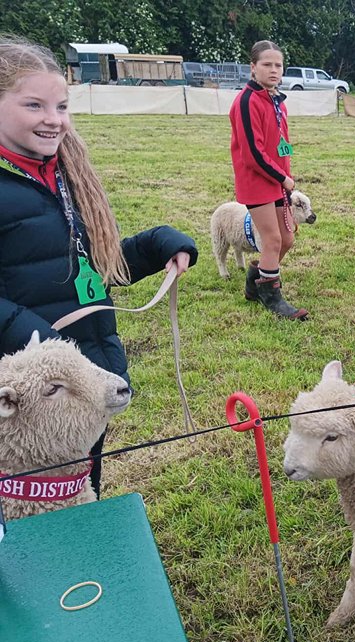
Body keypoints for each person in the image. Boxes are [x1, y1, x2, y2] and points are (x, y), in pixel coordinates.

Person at [0, 36, 196, 497]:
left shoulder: (67, 173)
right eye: (34, 105)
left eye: (61, 106)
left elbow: (87, 265)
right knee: (25, 499)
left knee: (79, 485)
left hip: (84, 374)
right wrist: (39, 341)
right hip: (29, 392)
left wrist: (155, 246)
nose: (53, 119)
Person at [229, 40, 307, 319]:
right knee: (272, 239)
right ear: (253, 67)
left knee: (286, 239)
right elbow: (253, 154)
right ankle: (271, 297)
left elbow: (280, 145)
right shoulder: (247, 101)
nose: (274, 70)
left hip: (277, 181)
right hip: (257, 182)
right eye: (267, 64)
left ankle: (256, 281)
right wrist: (282, 177)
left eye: (278, 65)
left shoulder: (277, 102)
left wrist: (286, 175)